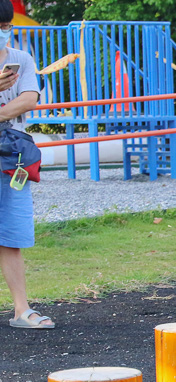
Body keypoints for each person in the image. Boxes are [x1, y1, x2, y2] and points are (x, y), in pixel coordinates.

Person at [0, 0, 51, 329]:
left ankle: (21, 310)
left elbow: (30, 97)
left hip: (11, 152)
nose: (3, 32)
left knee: (12, 234)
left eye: (4, 27)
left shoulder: (21, 59)